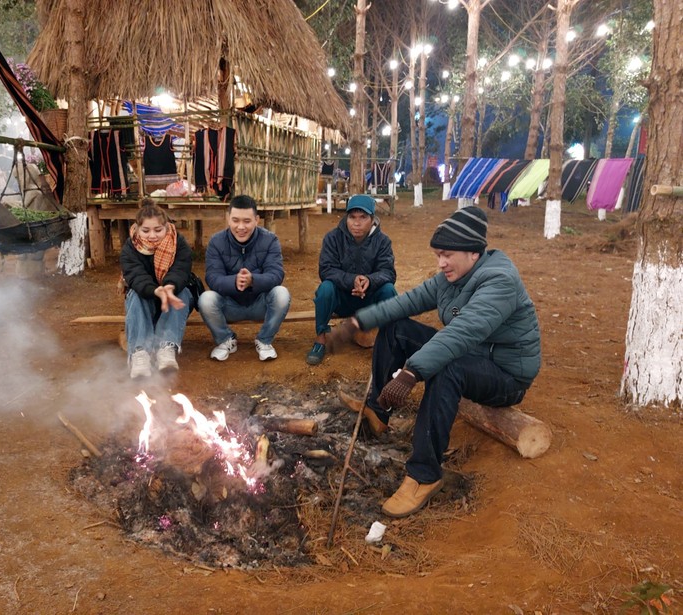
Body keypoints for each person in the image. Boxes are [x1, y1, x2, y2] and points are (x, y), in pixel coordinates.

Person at [328, 206, 541, 518]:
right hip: (473, 356)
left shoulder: (499, 281)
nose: (441, 263)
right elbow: (406, 302)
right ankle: (378, 410)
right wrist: (357, 323)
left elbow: (462, 333)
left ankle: (425, 474)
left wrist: (411, 372)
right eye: (438, 254)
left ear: (473, 252)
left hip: (505, 376)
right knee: (396, 325)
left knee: (448, 365)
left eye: (447, 255)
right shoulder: (453, 277)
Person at [306, 194, 397, 365]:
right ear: (346, 218)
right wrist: (351, 280)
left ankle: (389, 340)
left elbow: (388, 272)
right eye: (352, 217)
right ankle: (320, 339)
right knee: (325, 288)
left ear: (372, 219)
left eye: (363, 217)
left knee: (389, 290)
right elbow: (326, 270)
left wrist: (369, 281)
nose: (356, 222)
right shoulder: (333, 238)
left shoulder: (383, 241)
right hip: (343, 298)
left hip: (369, 299)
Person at [199, 194, 291, 361]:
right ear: (228, 218)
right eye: (235, 220)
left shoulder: (270, 240)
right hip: (229, 305)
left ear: (257, 220)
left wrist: (253, 280)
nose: (241, 227)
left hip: (260, 304)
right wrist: (234, 281)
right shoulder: (216, 242)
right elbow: (212, 277)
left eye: (247, 221)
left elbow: (276, 274)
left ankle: (264, 340)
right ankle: (226, 340)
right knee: (206, 299)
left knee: (282, 294)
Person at [120, 199, 193, 379]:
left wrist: (168, 287)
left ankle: (166, 348)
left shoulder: (179, 243)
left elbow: (181, 269)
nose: (152, 235)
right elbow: (135, 276)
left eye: (158, 230)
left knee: (182, 293)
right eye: (146, 230)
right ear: (137, 229)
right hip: (147, 295)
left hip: (172, 292)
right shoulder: (130, 247)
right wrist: (155, 291)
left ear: (167, 227)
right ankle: (140, 353)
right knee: (136, 295)